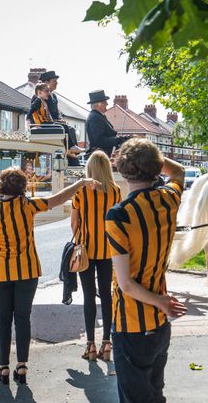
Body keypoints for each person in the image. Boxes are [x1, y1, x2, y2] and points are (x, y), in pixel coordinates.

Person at [0, 167, 99, 385]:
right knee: (22, 318)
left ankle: (3, 369)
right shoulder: (28, 206)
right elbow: (58, 199)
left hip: (0, 272)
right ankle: (21, 367)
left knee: (2, 320)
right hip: (27, 270)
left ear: (1, 186)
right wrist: (81, 183)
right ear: (23, 187)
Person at [105, 138, 187, 403]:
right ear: (157, 167)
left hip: (131, 323)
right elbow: (178, 172)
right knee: (155, 395)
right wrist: (156, 160)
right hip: (160, 324)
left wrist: (161, 301)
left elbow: (126, 284)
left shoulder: (119, 215)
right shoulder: (170, 198)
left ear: (120, 169)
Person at [71, 150, 122, 361]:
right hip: (107, 250)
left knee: (89, 296)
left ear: (90, 169)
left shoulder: (81, 191)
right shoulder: (116, 191)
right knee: (107, 296)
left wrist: (79, 237)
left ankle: (90, 345)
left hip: (86, 249)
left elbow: (74, 223)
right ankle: (107, 343)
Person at [39, 70, 84, 166]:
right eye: (54, 81)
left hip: (54, 122)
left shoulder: (53, 96)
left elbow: (56, 112)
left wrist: (59, 118)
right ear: (46, 82)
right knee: (63, 127)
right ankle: (70, 149)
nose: (56, 83)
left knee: (71, 129)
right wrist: (55, 120)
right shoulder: (41, 96)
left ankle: (71, 150)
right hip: (44, 123)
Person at [85, 89, 131, 157]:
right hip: (101, 156)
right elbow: (100, 141)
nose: (107, 104)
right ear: (99, 104)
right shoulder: (95, 118)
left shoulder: (99, 116)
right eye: (105, 102)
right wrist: (121, 139)